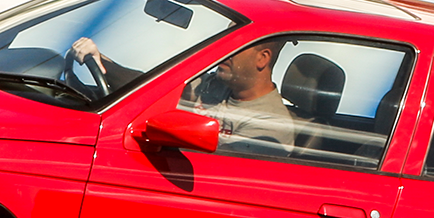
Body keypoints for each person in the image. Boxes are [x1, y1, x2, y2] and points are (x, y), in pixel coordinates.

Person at [71, 36, 295, 154]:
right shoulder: (215, 83)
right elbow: (156, 87)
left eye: (237, 45)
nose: (225, 51)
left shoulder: (271, 127)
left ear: (262, 59)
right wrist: (101, 61)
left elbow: (213, 172)